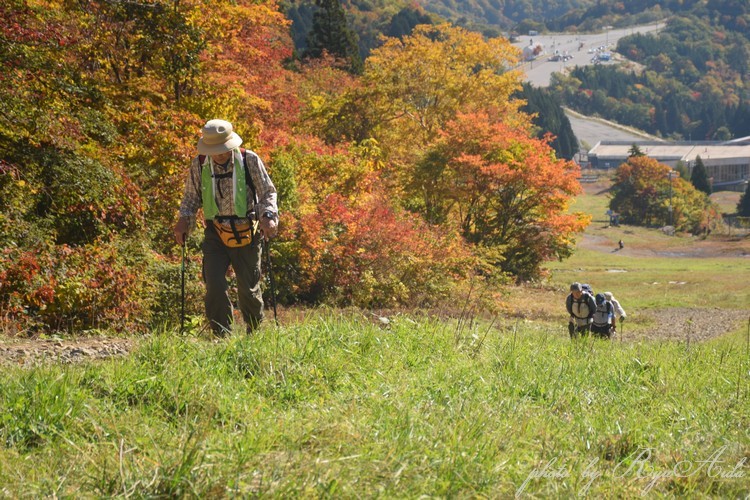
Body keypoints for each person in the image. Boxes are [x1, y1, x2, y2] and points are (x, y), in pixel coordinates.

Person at [173, 119, 278, 336]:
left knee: (248, 288)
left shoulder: (249, 160)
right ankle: (221, 335)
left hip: (247, 230)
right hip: (215, 232)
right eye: (215, 150)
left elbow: (268, 191)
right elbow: (191, 199)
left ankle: (255, 333)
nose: (219, 154)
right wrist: (184, 221)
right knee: (214, 285)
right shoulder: (200, 164)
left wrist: (268, 216)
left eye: (223, 149)